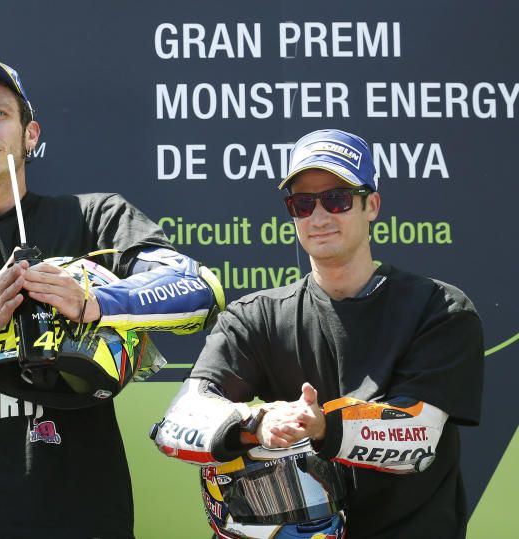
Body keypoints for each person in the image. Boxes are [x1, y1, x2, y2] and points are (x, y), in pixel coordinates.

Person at [0, 52, 225, 538]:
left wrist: (94, 301)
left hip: (82, 516)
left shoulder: (94, 217)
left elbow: (202, 292)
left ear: (30, 133)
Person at [152, 129, 484, 538]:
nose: (320, 217)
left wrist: (321, 424)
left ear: (372, 206)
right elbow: (179, 420)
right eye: (303, 203)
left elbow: (420, 436)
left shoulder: (440, 308)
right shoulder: (254, 316)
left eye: (337, 199)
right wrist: (257, 422)